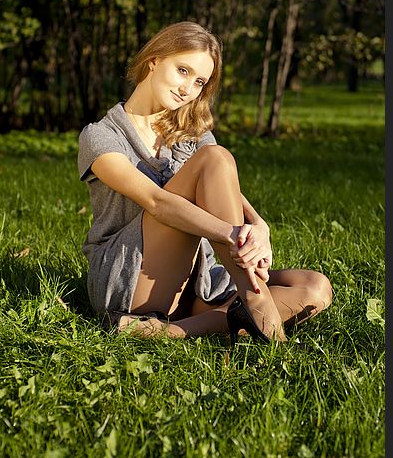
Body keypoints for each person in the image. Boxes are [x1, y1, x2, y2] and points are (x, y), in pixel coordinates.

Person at [77, 21, 332, 345]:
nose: (188, 89)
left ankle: (170, 331)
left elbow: (229, 193)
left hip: (196, 280)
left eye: (199, 81)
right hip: (129, 279)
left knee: (315, 287)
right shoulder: (99, 136)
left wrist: (260, 228)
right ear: (154, 60)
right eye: (183, 70)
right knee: (214, 157)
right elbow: (157, 202)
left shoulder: (192, 134)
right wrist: (232, 235)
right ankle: (258, 309)